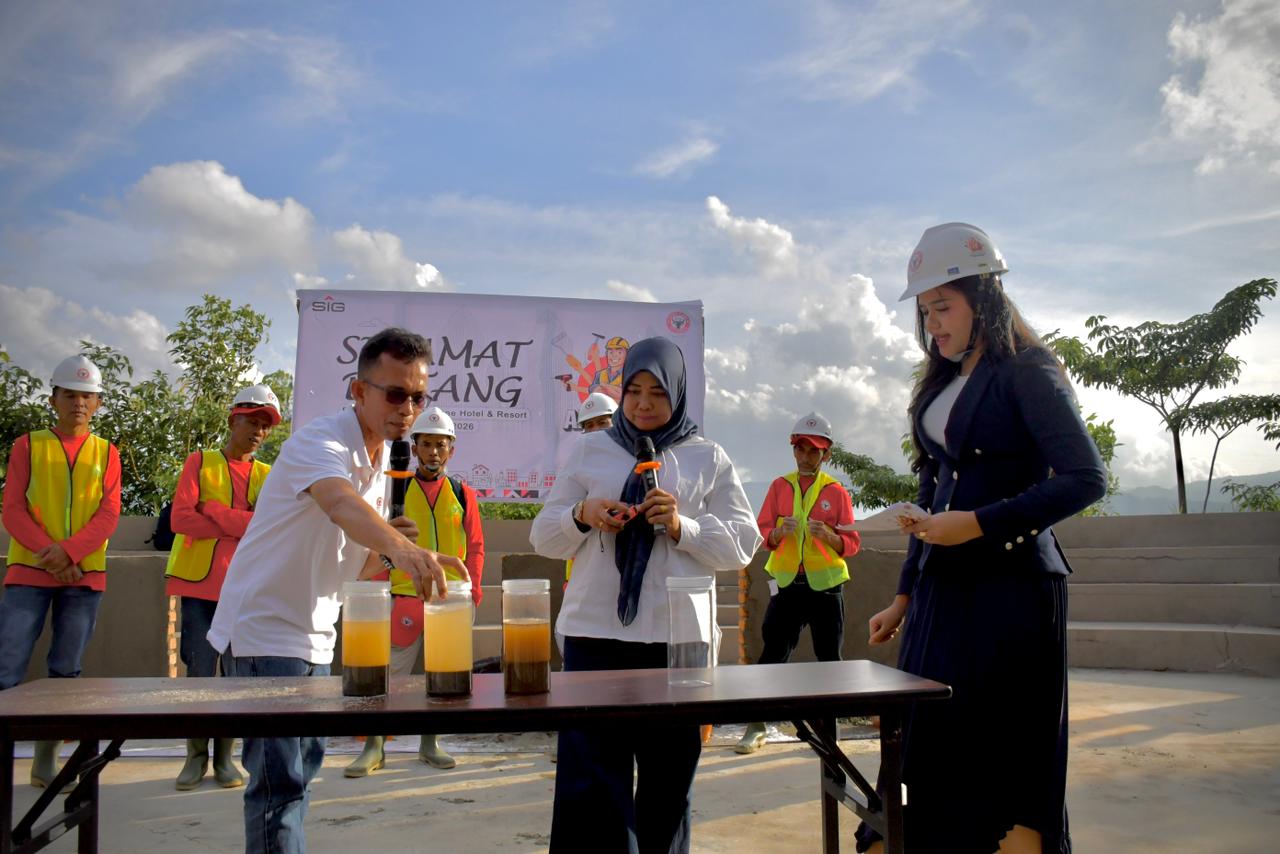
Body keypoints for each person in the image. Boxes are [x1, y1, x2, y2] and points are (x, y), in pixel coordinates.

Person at [856, 223, 1107, 854]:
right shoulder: (941, 378)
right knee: (925, 746)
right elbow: (932, 488)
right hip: (942, 593)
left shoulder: (1028, 371)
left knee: (1003, 760)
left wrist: (977, 524)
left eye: (943, 307)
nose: (932, 324)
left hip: (1011, 593)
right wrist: (905, 594)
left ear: (983, 296)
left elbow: (1086, 477)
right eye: (925, 312)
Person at [207, 328, 467, 854]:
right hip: (264, 632)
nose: (408, 410)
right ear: (359, 390)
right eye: (396, 394)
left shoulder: (383, 462)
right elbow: (340, 504)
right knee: (278, 789)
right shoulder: (319, 441)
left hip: (317, 637)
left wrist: (391, 551)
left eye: (418, 397)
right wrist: (403, 549)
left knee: (301, 777)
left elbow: (354, 562)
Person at [532, 336, 761, 854]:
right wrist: (582, 515)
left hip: (676, 643)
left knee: (668, 785)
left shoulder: (707, 457)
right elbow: (543, 536)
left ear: (677, 393)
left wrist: (683, 527)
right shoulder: (591, 450)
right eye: (633, 390)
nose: (642, 404)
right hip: (596, 637)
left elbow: (743, 544)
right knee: (592, 787)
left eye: (657, 392)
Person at [0, 355, 121, 788]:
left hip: (83, 575)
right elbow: (12, 509)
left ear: (98, 403)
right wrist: (51, 555)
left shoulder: (107, 452)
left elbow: (108, 513)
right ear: (53, 399)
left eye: (87, 396)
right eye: (70, 395)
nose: (78, 403)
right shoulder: (28, 445)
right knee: (6, 668)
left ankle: (45, 763)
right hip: (29, 573)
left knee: (66, 672)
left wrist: (69, 554)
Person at [344, 405, 484, 777]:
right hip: (404, 598)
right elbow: (379, 543)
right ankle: (375, 746)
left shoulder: (463, 494)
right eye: (426, 444)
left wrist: (473, 591)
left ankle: (430, 744)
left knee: (441, 676)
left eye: (441, 444)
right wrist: (382, 592)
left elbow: (475, 546)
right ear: (415, 447)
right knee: (388, 678)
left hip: (449, 601)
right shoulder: (396, 489)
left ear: (451, 449)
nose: (434, 452)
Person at [164, 384, 282, 790]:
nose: (259, 431)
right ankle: (195, 757)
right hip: (198, 583)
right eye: (253, 421)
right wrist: (240, 523)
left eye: (266, 425)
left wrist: (212, 511)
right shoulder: (199, 462)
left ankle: (225, 759)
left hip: (243, 587)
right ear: (234, 420)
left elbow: (266, 528)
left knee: (235, 673)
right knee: (199, 671)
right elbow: (180, 520)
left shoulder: (268, 475)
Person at [735, 412, 859, 755]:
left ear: (826, 454)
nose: (805, 456)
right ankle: (757, 726)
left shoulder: (836, 492)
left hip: (826, 586)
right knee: (772, 654)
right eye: (800, 449)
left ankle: (829, 733)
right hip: (788, 584)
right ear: (793, 450)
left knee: (829, 659)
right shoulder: (780, 486)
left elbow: (852, 544)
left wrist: (830, 536)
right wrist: (777, 532)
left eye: (814, 451)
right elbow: (762, 533)